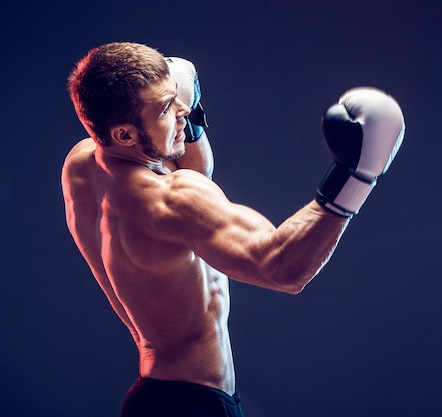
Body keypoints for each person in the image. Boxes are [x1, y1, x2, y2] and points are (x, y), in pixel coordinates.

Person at [61, 41, 405, 417]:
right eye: (165, 108)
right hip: (196, 405)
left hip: (152, 400)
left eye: (177, 99)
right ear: (125, 135)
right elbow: (282, 268)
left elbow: (192, 172)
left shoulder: (82, 165)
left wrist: (181, 119)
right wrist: (358, 175)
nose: (183, 111)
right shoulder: (170, 202)